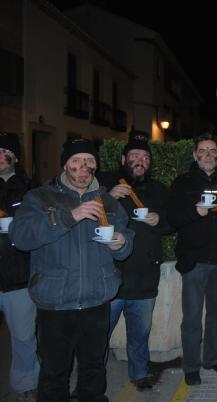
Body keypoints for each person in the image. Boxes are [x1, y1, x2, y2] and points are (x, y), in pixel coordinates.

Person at [9, 138, 133, 402]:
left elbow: (125, 238)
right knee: (54, 374)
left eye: (89, 161)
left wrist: (121, 244)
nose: (83, 167)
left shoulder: (108, 202)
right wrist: (70, 216)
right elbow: (21, 236)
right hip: (55, 303)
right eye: (76, 161)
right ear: (65, 164)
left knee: (94, 371)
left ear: (95, 167)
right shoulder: (40, 197)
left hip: (96, 301)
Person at [166, 133, 217, 386]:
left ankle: (213, 358)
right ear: (194, 154)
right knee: (191, 317)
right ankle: (191, 366)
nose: (208, 155)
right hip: (193, 260)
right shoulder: (183, 182)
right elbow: (172, 219)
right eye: (203, 150)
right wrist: (195, 211)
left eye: (212, 150)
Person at [97, 130, 171, 391]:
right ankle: (92, 379)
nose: (140, 160)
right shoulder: (103, 182)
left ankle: (139, 373)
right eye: (134, 155)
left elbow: (171, 223)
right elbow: (82, 212)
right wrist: (108, 197)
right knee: (98, 334)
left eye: (145, 157)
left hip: (144, 276)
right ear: (123, 158)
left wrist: (159, 220)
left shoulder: (158, 189)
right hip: (110, 275)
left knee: (140, 333)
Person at [0, 133, 38, 402]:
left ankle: (26, 381)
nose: (0, 157)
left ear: (15, 157)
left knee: (23, 335)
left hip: (17, 274)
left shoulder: (27, 188)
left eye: (5, 152)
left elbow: (37, 226)